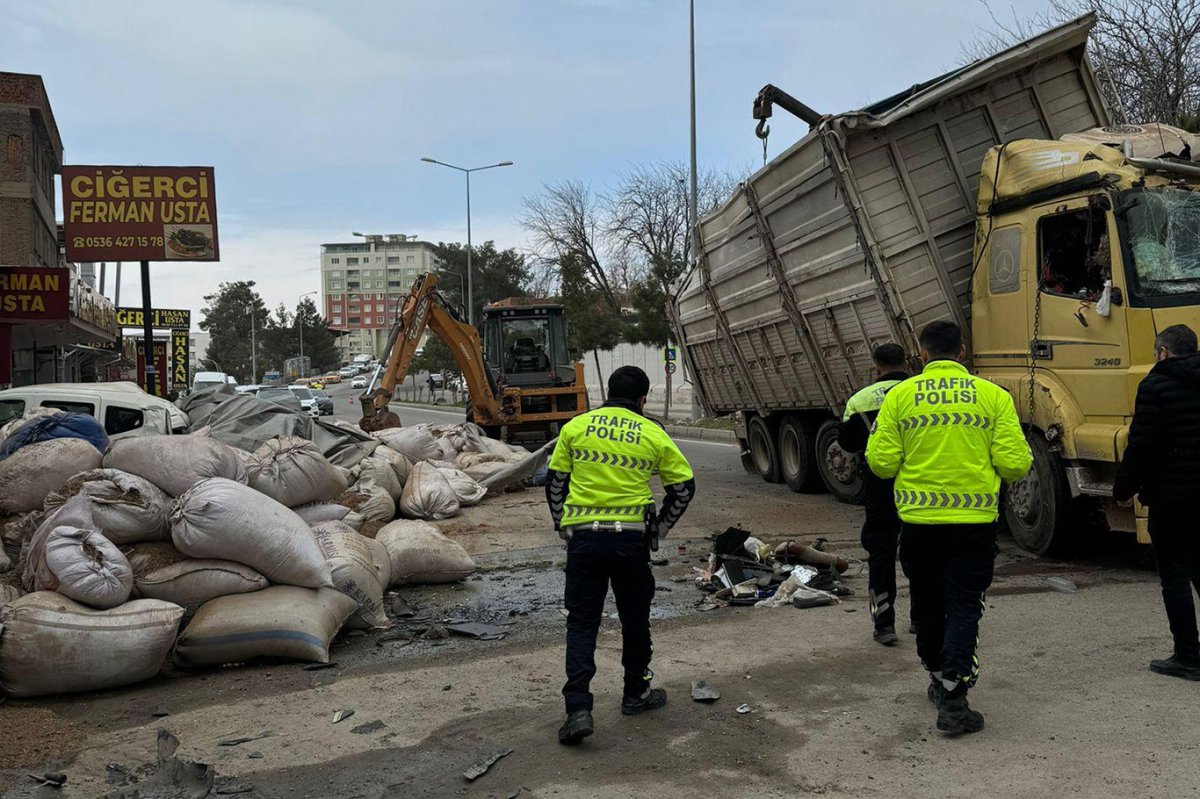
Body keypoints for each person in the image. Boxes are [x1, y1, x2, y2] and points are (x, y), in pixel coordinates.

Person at [866, 320, 1031, 735]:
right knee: (963, 606)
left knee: (926, 605)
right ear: (962, 351)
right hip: (972, 527)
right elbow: (1015, 463)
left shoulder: (900, 396)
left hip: (919, 526)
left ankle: (939, 679)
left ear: (921, 354)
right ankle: (954, 699)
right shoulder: (993, 396)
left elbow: (881, 463)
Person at [545, 365, 696, 746]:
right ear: (643, 399)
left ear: (608, 393)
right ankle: (636, 693)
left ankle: (578, 709)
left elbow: (555, 482)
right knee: (635, 619)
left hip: (584, 541)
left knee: (582, 624)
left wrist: (562, 523)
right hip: (631, 542)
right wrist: (659, 530)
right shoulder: (652, 432)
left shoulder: (575, 427)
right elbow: (683, 489)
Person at [1114, 324, 1200, 682]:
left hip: (1172, 498)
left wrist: (1123, 488)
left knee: (1175, 575)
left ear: (1163, 352)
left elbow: (1142, 445)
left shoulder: (1155, 385)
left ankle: (1188, 656)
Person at [837, 343, 910, 646]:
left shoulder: (860, 400)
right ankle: (923, 617)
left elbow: (848, 444)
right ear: (906, 363)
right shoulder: (919, 392)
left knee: (881, 553)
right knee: (921, 551)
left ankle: (884, 624)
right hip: (921, 484)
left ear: (876, 367)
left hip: (880, 487)